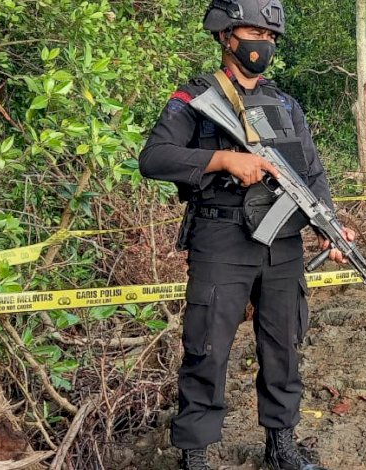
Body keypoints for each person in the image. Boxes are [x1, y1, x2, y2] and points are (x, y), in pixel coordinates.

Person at [138, 1, 346, 468]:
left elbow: (312, 173)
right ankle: (194, 454)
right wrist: (223, 160)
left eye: (270, 37)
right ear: (225, 34)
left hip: (283, 241)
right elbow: (154, 158)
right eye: (255, 32)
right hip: (221, 239)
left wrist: (329, 226)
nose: (263, 44)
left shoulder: (285, 104)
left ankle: (281, 445)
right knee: (207, 348)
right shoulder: (194, 98)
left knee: (284, 345)